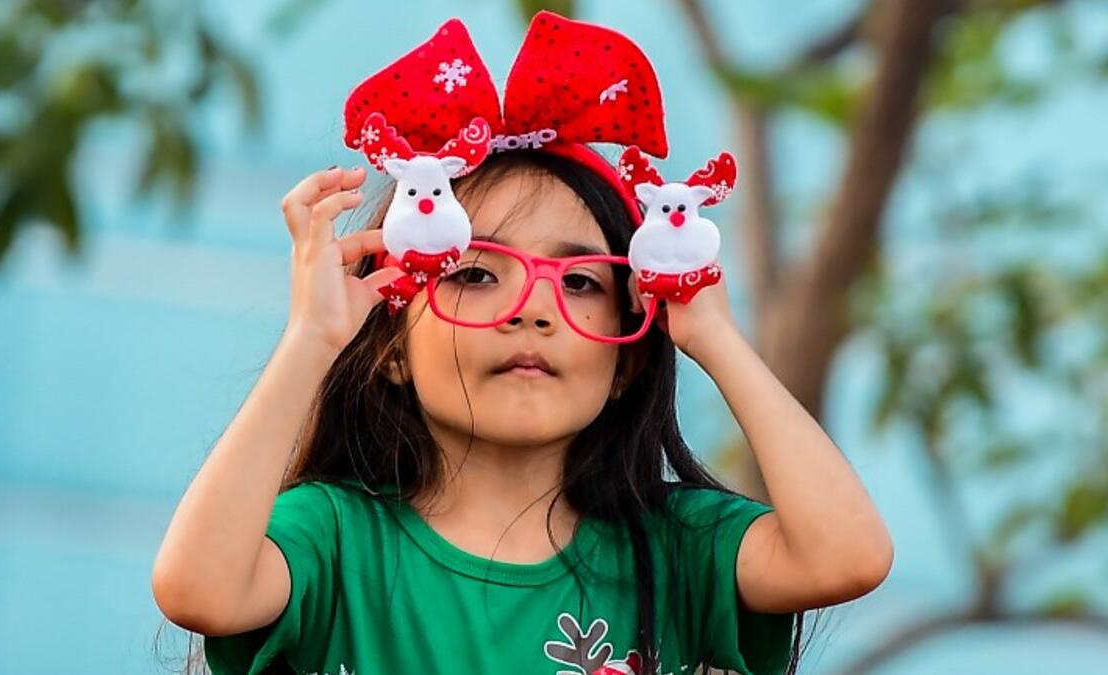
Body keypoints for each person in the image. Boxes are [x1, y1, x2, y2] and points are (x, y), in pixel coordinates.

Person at [151, 13, 892, 675]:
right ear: (389, 349)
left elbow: (848, 557)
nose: (533, 310)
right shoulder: (335, 534)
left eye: (580, 283)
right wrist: (310, 340)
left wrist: (717, 336)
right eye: (475, 273)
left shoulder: (677, 545)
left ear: (628, 354)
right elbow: (198, 590)